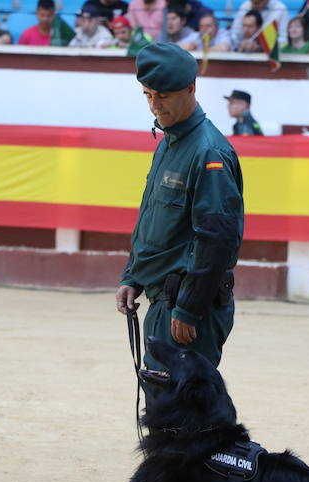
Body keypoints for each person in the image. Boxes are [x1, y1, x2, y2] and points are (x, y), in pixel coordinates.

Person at [117, 41, 244, 377]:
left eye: (164, 95)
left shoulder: (208, 152)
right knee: (163, 403)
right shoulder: (170, 142)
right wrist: (133, 275)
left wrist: (188, 308)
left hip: (187, 307)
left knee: (186, 410)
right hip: (163, 302)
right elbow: (153, 219)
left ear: (190, 88)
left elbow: (217, 239)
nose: (155, 105)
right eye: (147, 95)